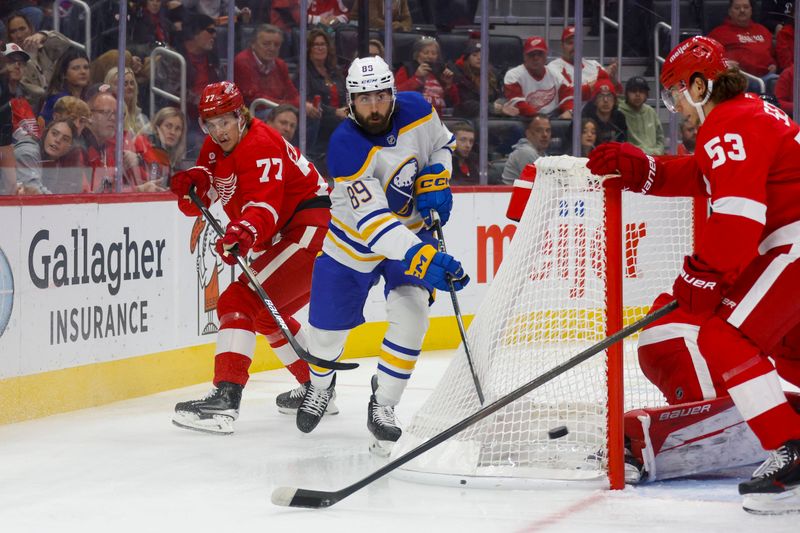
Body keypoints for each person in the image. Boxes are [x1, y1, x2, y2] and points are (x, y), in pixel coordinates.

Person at [586, 35, 800, 515]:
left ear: (702, 86)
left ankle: (792, 453)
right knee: (789, 356)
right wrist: (647, 172)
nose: (675, 105)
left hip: (795, 245)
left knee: (724, 338)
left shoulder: (728, 124)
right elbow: (705, 176)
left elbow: (739, 215)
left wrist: (705, 275)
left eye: (677, 92)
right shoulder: (751, 114)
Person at [294, 56, 469, 456]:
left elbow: (443, 145)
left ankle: (383, 404)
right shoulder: (345, 146)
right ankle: (320, 387)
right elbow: (374, 225)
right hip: (352, 244)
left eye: (380, 96)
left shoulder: (420, 110)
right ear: (350, 102)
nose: (374, 106)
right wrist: (424, 258)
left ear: (392, 93)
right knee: (325, 338)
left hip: (410, 233)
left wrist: (439, 176)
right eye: (364, 98)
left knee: (413, 316)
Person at [168, 81, 333, 435]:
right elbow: (214, 183)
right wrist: (194, 187)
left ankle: (225, 399)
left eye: (224, 121)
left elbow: (263, 206)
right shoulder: (216, 144)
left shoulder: (262, 144)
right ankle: (317, 387)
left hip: (309, 230)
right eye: (209, 124)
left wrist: (244, 232)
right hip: (281, 232)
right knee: (263, 315)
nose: (217, 131)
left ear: (241, 115)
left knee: (238, 299)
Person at [547, 26, 620, 120]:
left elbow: (616, 91)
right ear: (562, 45)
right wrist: (601, 78)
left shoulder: (594, 65)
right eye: (570, 43)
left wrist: (612, 78)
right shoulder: (553, 67)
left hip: (599, 115)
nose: (574, 46)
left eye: (577, 43)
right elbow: (567, 95)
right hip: (573, 115)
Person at [4, 10, 72, 111]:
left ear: (31, 29)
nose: (19, 35)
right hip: (33, 113)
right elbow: (38, 93)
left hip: (60, 104)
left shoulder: (44, 49)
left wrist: (44, 35)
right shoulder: (10, 64)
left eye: (22, 29)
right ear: (9, 37)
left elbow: (65, 43)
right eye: (13, 32)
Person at [233, 25, 304, 111]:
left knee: (306, 114)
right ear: (253, 44)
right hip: (250, 113)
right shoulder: (243, 61)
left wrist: (304, 105)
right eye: (266, 44)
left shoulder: (280, 64)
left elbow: (292, 93)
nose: (272, 48)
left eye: (276, 45)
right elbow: (256, 100)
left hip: (277, 109)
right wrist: (288, 106)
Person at [301, 28, 347, 157]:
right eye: (316, 44)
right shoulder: (304, 72)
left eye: (323, 44)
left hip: (339, 116)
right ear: (309, 49)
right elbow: (308, 101)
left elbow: (345, 94)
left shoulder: (334, 71)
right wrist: (335, 112)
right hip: (319, 118)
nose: (320, 48)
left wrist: (346, 109)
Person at [708, 0, 777, 80]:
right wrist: (724, 64)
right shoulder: (718, 33)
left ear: (751, 10)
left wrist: (773, 64)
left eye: (746, 7)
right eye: (737, 8)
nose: (742, 10)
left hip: (767, 76)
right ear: (730, 12)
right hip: (738, 77)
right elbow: (708, 59)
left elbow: (773, 55)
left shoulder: (763, 30)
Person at [504, 36, 571, 118]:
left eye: (540, 54)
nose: (536, 58)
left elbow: (568, 98)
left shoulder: (556, 74)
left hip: (552, 118)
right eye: (531, 54)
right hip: (525, 119)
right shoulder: (513, 75)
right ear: (524, 56)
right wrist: (540, 119)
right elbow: (518, 104)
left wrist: (569, 111)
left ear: (546, 55)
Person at [14, 118, 87, 194]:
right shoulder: (27, 153)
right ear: (45, 133)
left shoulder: (60, 160)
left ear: (70, 147)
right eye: (54, 133)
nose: (58, 140)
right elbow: (34, 191)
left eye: (65, 139)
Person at [395, 36, 458, 116]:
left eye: (433, 53)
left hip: (439, 117)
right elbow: (396, 94)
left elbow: (455, 102)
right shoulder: (407, 69)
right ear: (417, 54)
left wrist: (449, 85)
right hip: (413, 116)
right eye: (426, 53)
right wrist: (416, 78)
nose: (430, 56)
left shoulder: (441, 71)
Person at [134, 106, 186, 187]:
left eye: (178, 128)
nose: (173, 132)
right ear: (156, 127)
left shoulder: (174, 159)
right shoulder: (141, 145)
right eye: (168, 126)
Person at [452, 40, 503, 119]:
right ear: (467, 58)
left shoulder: (495, 75)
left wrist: (501, 104)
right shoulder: (460, 76)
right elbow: (466, 104)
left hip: (491, 117)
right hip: (467, 119)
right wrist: (491, 107)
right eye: (474, 55)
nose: (479, 58)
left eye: (482, 55)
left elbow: (501, 96)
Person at [40, 47, 90, 123]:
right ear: (63, 74)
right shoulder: (57, 100)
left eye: (86, 67)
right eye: (76, 68)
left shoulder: (89, 97)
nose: (83, 72)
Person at [617, 76, 664, 155]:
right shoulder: (620, 112)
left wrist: (658, 152)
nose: (638, 94)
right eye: (633, 91)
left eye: (641, 91)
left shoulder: (651, 111)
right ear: (626, 93)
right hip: (632, 158)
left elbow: (660, 138)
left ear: (646, 94)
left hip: (653, 157)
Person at [501, 114, 551, 185]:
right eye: (539, 130)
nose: (545, 135)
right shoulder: (525, 152)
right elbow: (542, 184)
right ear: (528, 133)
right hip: (513, 195)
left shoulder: (542, 154)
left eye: (548, 130)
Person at [104, 66, 149, 136]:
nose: (130, 87)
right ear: (110, 87)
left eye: (132, 83)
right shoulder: (109, 117)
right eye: (125, 84)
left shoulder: (142, 118)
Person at [583, 78, 627, 146]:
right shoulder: (585, 118)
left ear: (615, 101)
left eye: (609, 96)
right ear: (595, 101)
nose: (605, 100)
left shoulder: (620, 119)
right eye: (601, 96)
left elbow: (623, 142)